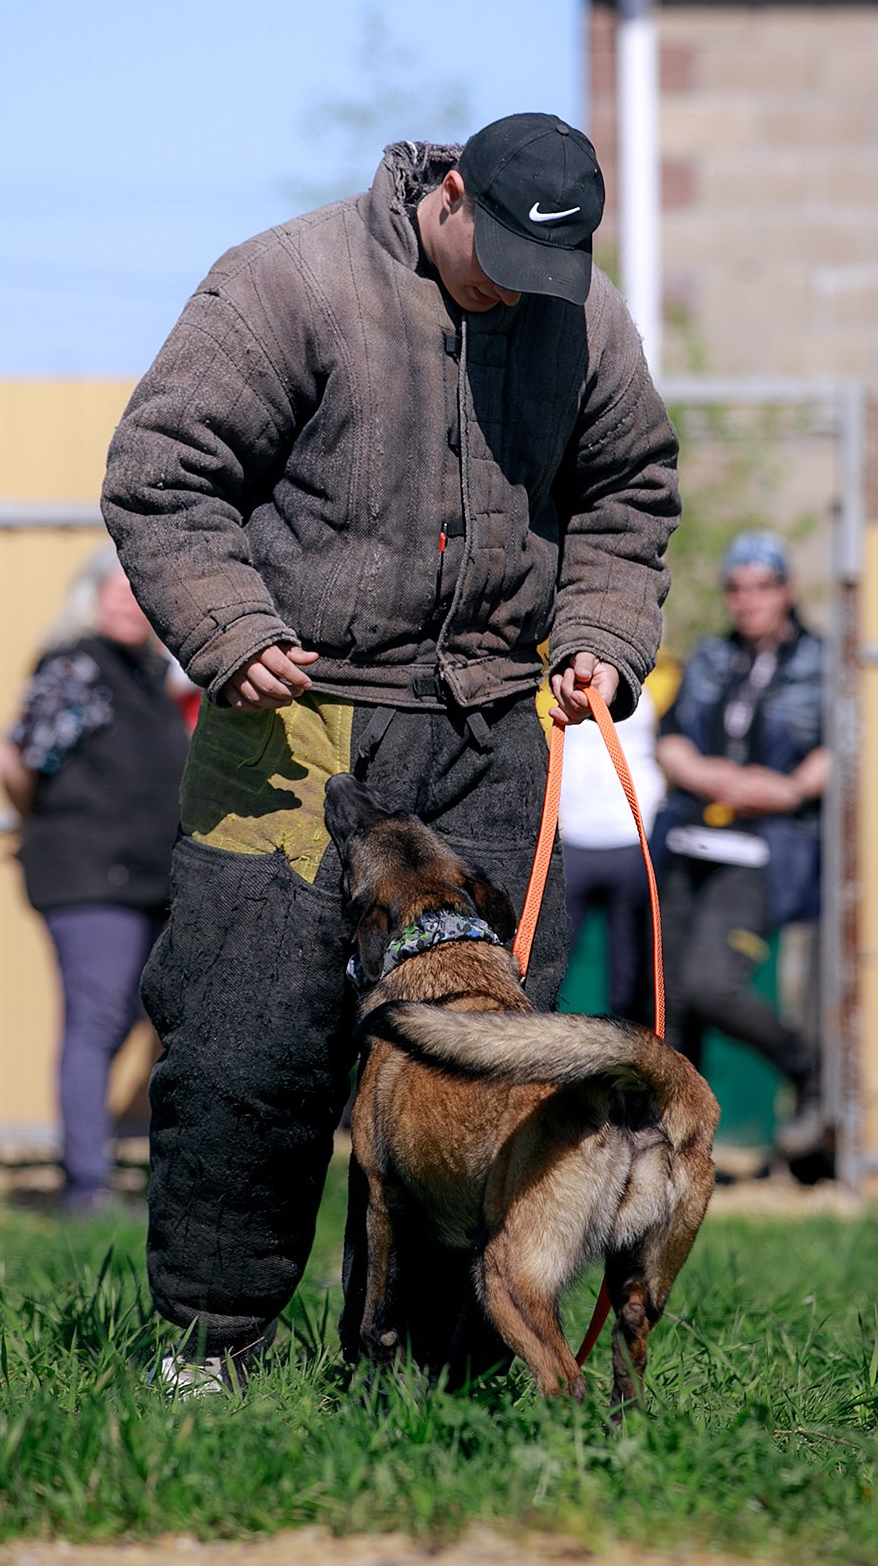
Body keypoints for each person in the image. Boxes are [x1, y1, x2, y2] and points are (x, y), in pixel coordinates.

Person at [102, 113, 679, 1386]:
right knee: (247, 1042)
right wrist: (228, 625)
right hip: (296, 713)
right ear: (452, 194)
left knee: (484, 1067)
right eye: (501, 268)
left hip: (492, 733)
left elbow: (628, 494)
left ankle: (438, 1375)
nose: (519, 298)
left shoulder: (589, 322)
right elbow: (162, 470)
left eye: (551, 280)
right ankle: (212, 1351)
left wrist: (598, 634)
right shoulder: (287, 282)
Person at [0, 546, 190, 1218]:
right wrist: (32, 818)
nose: (130, 604)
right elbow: (19, 755)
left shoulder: (144, 673)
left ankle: (98, 1176)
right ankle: (85, 1188)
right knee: (98, 1018)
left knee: (140, 1011)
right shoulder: (77, 664)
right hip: (88, 874)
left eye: (141, 594)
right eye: (117, 592)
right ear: (90, 598)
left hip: (141, 876)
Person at [651, 530, 827, 1147]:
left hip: (761, 852)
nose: (748, 600)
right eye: (736, 587)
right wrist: (714, 776)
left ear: (786, 590)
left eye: (762, 586)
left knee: (711, 984)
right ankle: (679, 1144)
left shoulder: (823, 663)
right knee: (670, 1006)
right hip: (686, 845)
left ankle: (808, 1068)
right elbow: (669, 740)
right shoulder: (708, 659)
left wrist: (780, 790)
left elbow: (832, 753)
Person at [557, 658, 672, 1026]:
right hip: (571, 839)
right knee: (551, 965)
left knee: (629, 978)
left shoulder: (666, 676)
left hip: (632, 841)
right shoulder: (553, 674)